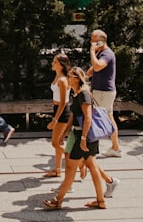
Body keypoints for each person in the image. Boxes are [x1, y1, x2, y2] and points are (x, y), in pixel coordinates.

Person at [43, 67, 107, 210]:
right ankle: (100, 200)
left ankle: (58, 201)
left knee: (71, 168)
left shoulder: (84, 94)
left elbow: (88, 118)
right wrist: (64, 133)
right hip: (82, 135)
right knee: (92, 166)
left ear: (77, 78)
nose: (67, 78)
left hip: (84, 136)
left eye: (70, 76)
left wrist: (83, 138)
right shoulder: (77, 94)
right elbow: (73, 116)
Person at [87, 29, 122, 156]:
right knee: (108, 118)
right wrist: (83, 77)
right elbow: (93, 70)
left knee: (98, 118)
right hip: (102, 91)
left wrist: (91, 51)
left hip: (103, 92)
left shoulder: (107, 54)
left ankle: (96, 148)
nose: (91, 43)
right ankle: (115, 147)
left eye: (94, 41)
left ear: (101, 42)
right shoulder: (101, 53)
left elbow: (97, 66)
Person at [44, 52, 72, 177]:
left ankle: (78, 160)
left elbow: (63, 102)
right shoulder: (58, 77)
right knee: (58, 143)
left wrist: (55, 119)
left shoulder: (63, 80)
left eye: (55, 62)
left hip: (62, 112)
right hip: (56, 109)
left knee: (55, 143)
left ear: (61, 65)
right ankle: (57, 169)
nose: (52, 63)